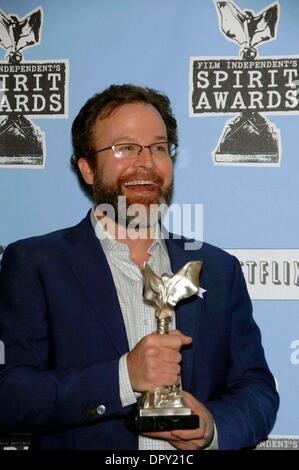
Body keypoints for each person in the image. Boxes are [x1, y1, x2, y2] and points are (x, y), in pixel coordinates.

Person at [0, 84, 279, 450]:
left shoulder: (218, 269)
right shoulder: (35, 264)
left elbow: (257, 388)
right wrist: (124, 377)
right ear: (87, 168)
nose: (146, 162)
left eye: (159, 147)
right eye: (125, 147)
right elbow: (9, 395)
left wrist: (213, 427)